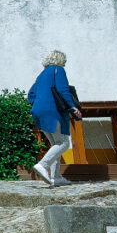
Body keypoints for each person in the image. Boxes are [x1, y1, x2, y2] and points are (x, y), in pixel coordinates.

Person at [27, 50, 82, 187]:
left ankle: (56, 177)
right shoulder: (58, 70)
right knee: (63, 143)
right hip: (53, 111)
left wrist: (40, 104)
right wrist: (72, 106)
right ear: (60, 60)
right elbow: (63, 90)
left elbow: (30, 95)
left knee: (56, 144)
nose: (65, 64)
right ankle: (42, 165)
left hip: (39, 111)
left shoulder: (41, 75)